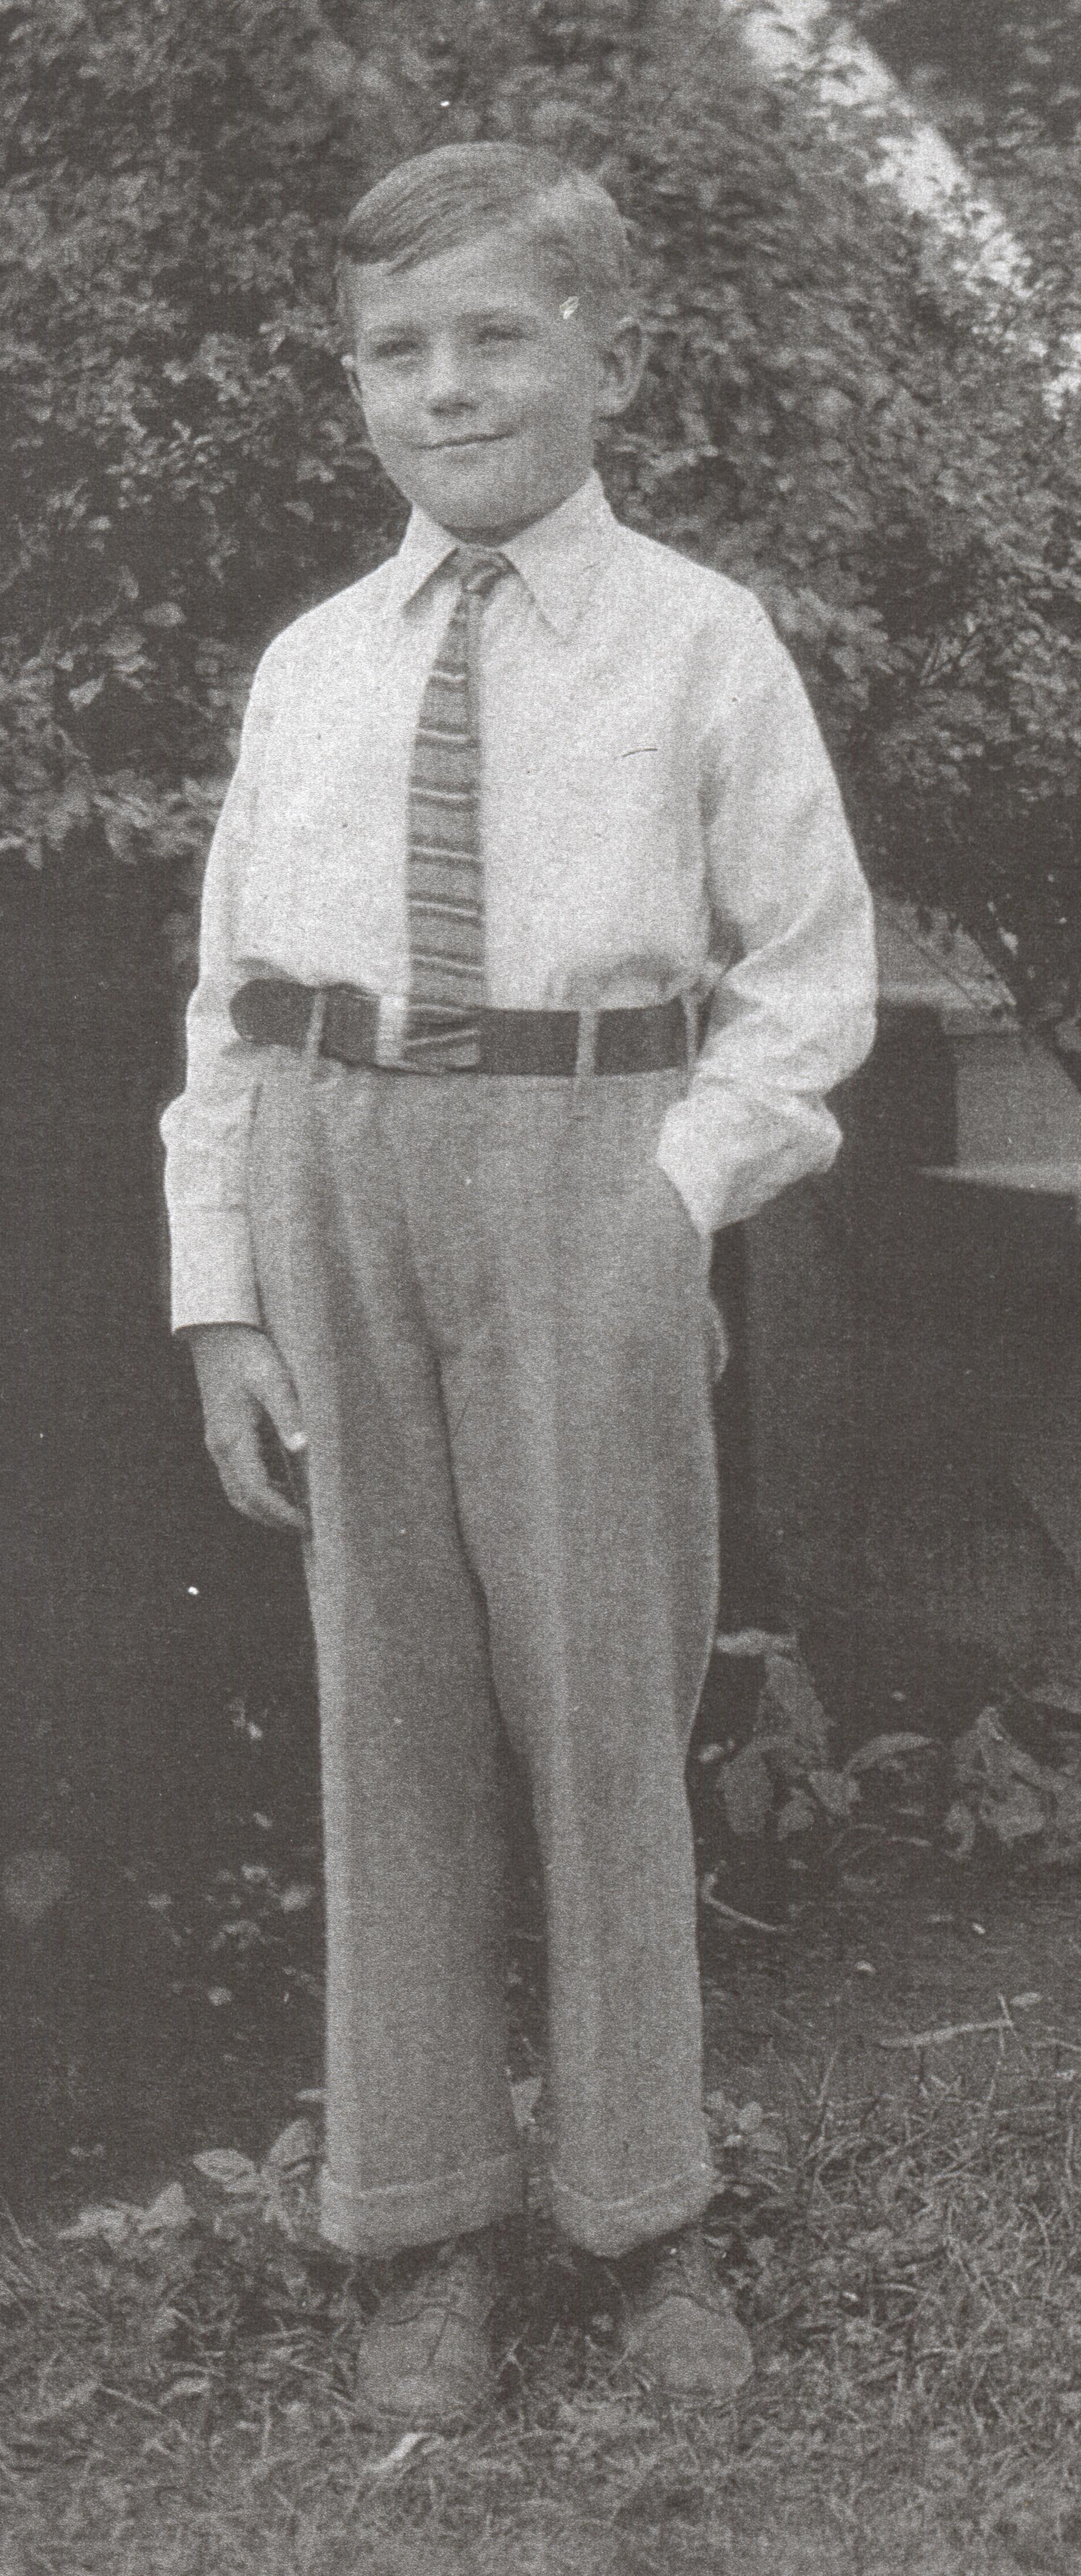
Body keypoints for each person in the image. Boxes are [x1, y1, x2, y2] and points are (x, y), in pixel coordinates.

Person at [161, 140, 877, 2430]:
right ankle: (419, 2228)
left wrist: (675, 1195)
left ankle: (644, 2213)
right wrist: (222, 1296)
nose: (447, 388)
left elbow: (811, 978)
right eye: (398, 350)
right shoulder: (311, 662)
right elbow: (227, 1004)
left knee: (599, 1705)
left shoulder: (697, 640)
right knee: (388, 1711)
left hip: (589, 1165)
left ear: (611, 361)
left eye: (497, 336)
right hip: (334, 1164)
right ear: (354, 385)